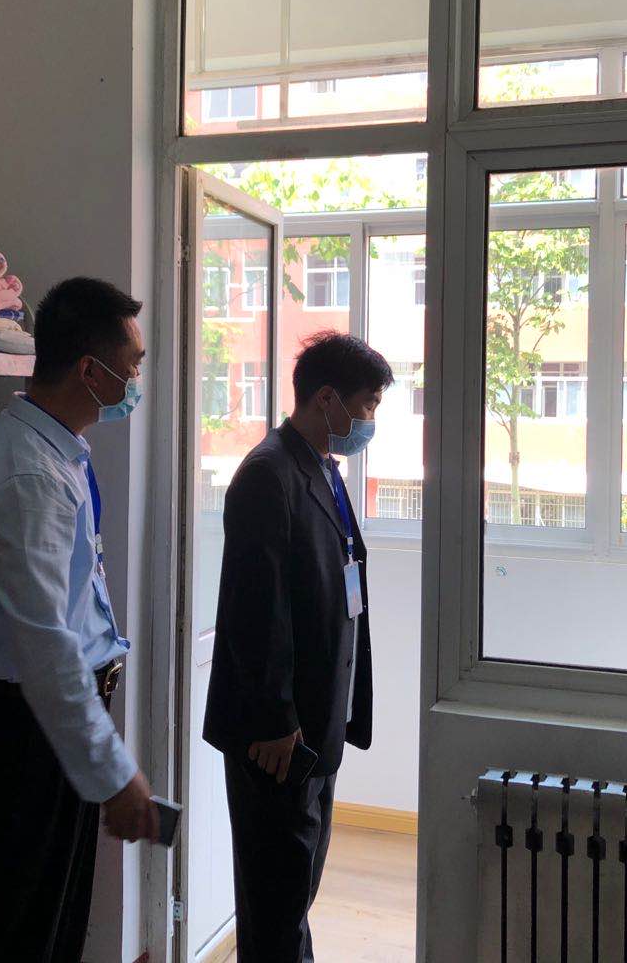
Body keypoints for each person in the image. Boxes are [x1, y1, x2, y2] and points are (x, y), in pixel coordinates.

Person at [0, 277, 160, 963]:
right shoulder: (30, 475)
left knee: (46, 932)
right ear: (90, 371)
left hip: (41, 728)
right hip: (19, 736)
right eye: (132, 366)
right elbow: (47, 649)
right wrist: (112, 771)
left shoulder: (55, 452)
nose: (136, 381)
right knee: (9, 939)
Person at [203, 330, 393, 962]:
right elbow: (255, 611)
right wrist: (275, 719)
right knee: (276, 898)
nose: (370, 420)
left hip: (315, 723)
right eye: (367, 404)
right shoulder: (268, 474)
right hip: (277, 737)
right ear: (327, 399)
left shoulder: (321, 468)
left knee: (295, 884)